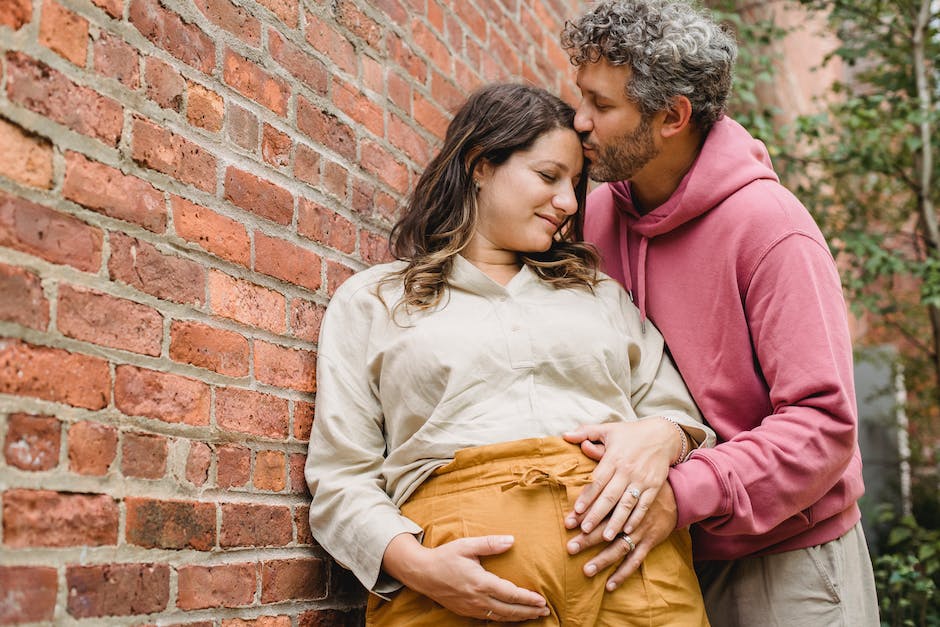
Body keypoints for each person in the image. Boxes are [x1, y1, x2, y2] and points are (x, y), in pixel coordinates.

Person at [304, 82, 715, 626]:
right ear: (479, 163)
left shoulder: (600, 295)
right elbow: (340, 478)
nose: (569, 203)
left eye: (575, 184)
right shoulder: (377, 300)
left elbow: (681, 419)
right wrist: (419, 567)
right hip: (455, 593)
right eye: (549, 177)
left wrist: (662, 434)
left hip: (632, 572)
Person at [557, 1, 880, 625]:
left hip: (787, 562)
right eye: (581, 97)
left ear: (673, 116)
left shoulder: (773, 230)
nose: (579, 121)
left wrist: (683, 492)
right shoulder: (593, 219)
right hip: (657, 558)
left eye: (603, 105)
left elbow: (824, 427)